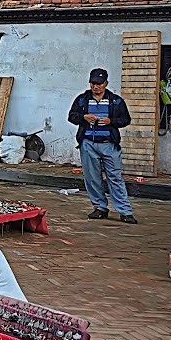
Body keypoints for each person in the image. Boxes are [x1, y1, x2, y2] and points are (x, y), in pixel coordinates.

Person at [67, 68, 137, 224]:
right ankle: (100, 208)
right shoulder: (82, 100)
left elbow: (125, 119)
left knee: (115, 177)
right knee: (92, 178)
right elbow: (72, 116)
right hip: (88, 144)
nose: (95, 87)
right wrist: (84, 117)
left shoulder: (116, 101)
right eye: (93, 83)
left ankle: (125, 211)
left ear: (106, 83)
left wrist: (111, 121)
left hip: (109, 145)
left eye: (99, 84)